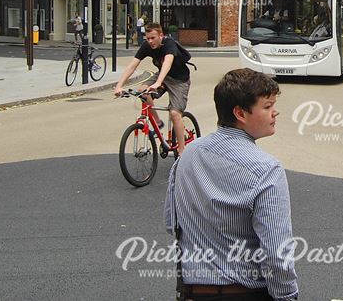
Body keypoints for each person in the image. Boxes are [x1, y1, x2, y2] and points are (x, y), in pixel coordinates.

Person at [165, 68, 299, 301]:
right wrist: (287, 295)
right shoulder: (266, 169)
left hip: (192, 291)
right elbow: (277, 254)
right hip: (245, 291)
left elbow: (172, 223)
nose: (275, 113)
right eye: (267, 107)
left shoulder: (188, 155)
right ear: (240, 113)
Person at [113, 22, 192, 154]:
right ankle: (157, 121)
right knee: (141, 91)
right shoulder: (146, 46)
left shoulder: (169, 44)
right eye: (147, 38)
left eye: (153, 38)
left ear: (161, 35)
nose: (150, 41)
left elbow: (167, 62)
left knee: (174, 113)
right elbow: (132, 66)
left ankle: (182, 152)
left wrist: (157, 83)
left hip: (179, 81)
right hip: (161, 76)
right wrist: (119, 86)